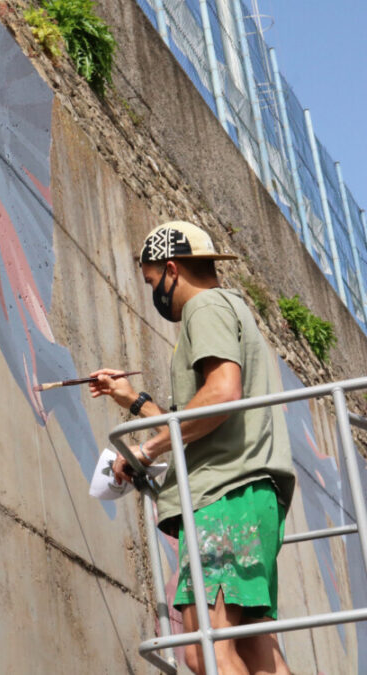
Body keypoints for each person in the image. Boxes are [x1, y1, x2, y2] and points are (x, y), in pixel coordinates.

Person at [89, 221, 296, 675]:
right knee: (257, 652)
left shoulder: (205, 307)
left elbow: (221, 395)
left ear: (171, 268)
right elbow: (202, 422)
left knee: (205, 651)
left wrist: (144, 451)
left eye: (151, 283)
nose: (154, 294)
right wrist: (136, 402)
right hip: (249, 496)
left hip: (224, 499)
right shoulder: (231, 309)